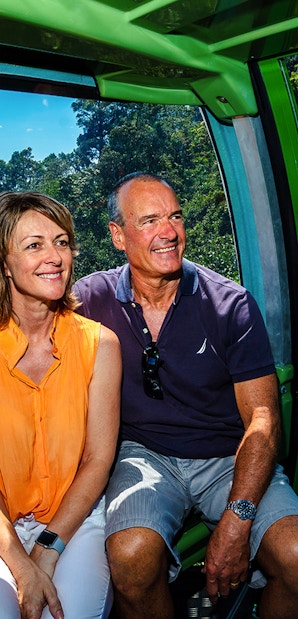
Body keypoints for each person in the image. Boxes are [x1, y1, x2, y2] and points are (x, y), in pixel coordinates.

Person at [74, 172, 298, 619]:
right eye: (149, 220)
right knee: (131, 556)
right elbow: (30, 323)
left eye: (174, 217)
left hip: (226, 455)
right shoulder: (92, 299)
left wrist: (238, 516)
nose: (169, 232)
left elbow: (263, 419)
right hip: (141, 454)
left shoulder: (230, 305)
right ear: (118, 235)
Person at [0, 192, 122, 619]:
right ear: (4, 262)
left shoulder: (99, 344)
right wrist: (21, 566)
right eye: (34, 245)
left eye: (62, 242)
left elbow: (97, 458)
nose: (54, 257)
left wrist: (48, 551)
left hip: (75, 519)